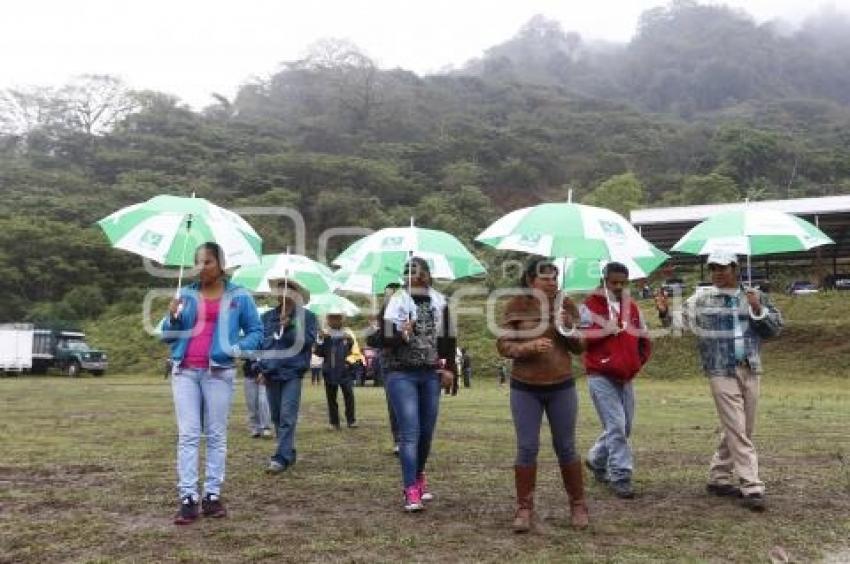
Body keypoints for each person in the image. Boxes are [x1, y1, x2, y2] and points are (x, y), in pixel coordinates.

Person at [655, 251, 782, 512]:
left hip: (750, 366)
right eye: (713, 268)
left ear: (735, 268)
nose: (717, 273)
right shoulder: (701, 299)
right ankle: (751, 485)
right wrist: (665, 312)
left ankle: (718, 477)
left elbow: (775, 329)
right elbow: (678, 327)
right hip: (719, 369)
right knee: (737, 426)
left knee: (744, 426)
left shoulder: (755, 296)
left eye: (722, 268)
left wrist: (758, 309)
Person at [160, 242, 263, 525]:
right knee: (189, 434)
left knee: (216, 435)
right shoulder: (186, 294)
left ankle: (212, 495)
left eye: (206, 262)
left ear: (220, 264)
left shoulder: (239, 295)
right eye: (198, 262)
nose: (200, 267)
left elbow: (256, 331)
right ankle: (188, 498)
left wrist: (236, 349)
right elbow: (167, 336)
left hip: (219, 372)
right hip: (185, 371)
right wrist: (172, 318)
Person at [496, 256, 588, 533]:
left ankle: (578, 505)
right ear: (530, 280)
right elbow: (503, 345)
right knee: (527, 447)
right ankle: (524, 509)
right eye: (545, 277)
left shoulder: (566, 304)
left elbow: (581, 346)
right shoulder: (516, 305)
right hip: (525, 387)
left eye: (554, 278)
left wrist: (567, 327)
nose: (551, 283)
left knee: (566, 446)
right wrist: (528, 347)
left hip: (561, 385)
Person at [379, 258, 456, 512]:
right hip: (400, 373)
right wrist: (401, 332)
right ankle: (410, 488)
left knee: (426, 432)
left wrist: (448, 368)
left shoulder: (440, 302)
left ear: (428, 276)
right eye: (410, 273)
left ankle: (419, 474)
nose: (415, 278)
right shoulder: (395, 302)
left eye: (420, 273)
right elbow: (379, 338)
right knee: (410, 432)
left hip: (431, 373)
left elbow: (448, 339)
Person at [579, 262, 652, 499]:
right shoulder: (589, 307)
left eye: (623, 283)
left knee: (624, 426)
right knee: (617, 426)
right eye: (614, 282)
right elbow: (579, 340)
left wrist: (636, 361)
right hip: (600, 375)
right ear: (604, 281)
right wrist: (604, 330)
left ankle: (596, 458)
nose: (618, 287)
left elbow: (644, 338)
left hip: (626, 376)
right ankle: (620, 475)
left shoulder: (632, 308)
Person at [256, 279, 318, 474]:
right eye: (280, 288)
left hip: (293, 372)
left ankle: (280, 458)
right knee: (276, 415)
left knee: (287, 416)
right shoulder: (267, 317)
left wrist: (290, 326)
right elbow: (262, 345)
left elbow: (307, 342)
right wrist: (260, 368)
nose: (283, 292)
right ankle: (288, 452)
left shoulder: (307, 317)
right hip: (271, 371)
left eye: (288, 288)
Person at [367, 282, 402, 455]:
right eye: (387, 294)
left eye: (393, 293)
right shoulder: (383, 317)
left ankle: (410, 438)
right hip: (389, 365)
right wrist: (375, 331)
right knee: (394, 403)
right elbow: (373, 341)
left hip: (409, 363)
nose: (389, 297)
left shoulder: (409, 312)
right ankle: (398, 439)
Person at [315, 310, 363, 429]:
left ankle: (351, 420)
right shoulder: (324, 334)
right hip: (329, 371)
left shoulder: (348, 333)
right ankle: (334, 422)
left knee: (349, 396)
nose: (334, 320)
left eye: (337, 318)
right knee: (331, 398)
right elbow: (318, 353)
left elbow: (356, 352)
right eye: (331, 318)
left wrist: (348, 363)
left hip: (345, 371)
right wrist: (320, 340)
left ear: (342, 319)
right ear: (328, 320)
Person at [242, 358, 273, 438]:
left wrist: (262, 373)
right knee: (251, 403)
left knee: (263, 401)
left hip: (265, 374)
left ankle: (266, 427)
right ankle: (255, 428)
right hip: (249, 374)